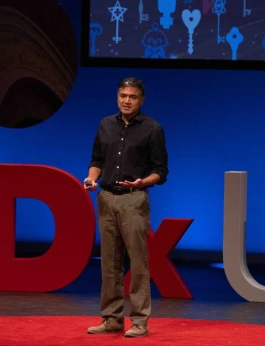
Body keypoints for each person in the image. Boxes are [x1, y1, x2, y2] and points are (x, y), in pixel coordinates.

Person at [84, 77, 169, 338]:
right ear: (117, 97)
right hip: (106, 198)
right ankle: (111, 318)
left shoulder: (152, 129)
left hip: (134, 199)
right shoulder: (105, 125)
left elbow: (161, 171)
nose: (127, 100)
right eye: (123, 95)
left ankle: (140, 321)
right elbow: (97, 159)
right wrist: (92, 178)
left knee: (138, 261)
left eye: (132, 96)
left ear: (141, 100)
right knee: (109, 262)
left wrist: (145, 181)